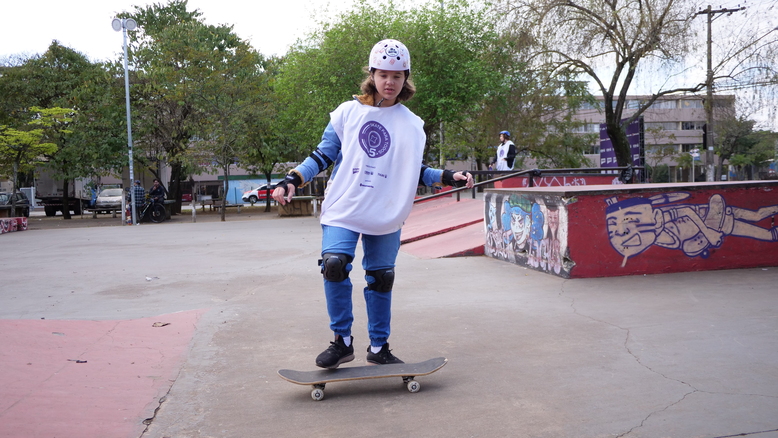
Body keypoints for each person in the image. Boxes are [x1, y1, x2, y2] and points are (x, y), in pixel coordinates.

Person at [272, 39, 473, 369]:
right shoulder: (347, 113)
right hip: (345, 204)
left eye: (397, 76)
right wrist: (292, 179)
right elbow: (322, 155)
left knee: (381, 276)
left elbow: (414, 169)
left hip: (385, 208)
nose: (389, 82)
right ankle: (342, 341)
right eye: (383, 75)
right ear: (372, 75)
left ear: (405, 78)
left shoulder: (411, 124)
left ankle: (379, 347)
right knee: (334, 264)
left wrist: (448, 176)